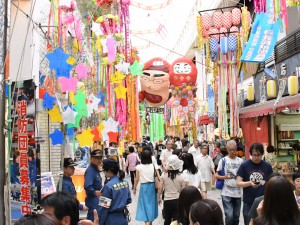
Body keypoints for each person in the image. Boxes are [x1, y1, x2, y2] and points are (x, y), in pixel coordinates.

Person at [236, 143, 273, 225]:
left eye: (259, 155)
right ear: (250, 154)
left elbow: (270, 183)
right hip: (248, 202)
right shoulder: (244, 165)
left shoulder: (267, 166)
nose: (256, 157)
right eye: (254, 155)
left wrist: (262, 182)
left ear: (262, 154)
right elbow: (238, 183)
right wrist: (250, 183)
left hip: (263, 201)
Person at [215, 140, 243, 225]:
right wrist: (224, 177)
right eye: (230, 150)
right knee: (229, 215)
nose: (232, 152)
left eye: (234, 149)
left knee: (236, 216)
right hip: (226, 192)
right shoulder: (223, 160)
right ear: (227, 149)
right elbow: (216, 175)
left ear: (236, 149)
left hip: (238, 192)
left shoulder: (240, 161)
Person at [98, 158, 132, 225]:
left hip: (111, 219)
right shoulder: (125, 182)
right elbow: (129, 200)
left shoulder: (108, 187)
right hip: (123, 218)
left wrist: (100, 222)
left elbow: (103, 208)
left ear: (109, 171)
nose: (104, 172)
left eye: (104, 170)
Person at [158, 155, 187, 225]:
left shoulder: (164, 175)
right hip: (178, 200)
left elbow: (160, 187)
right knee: (177, 220)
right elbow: (183, 191)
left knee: (167, 219)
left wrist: (158, 197)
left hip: (167, 200)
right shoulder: (182, 177)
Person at [133, 150, 160, 225]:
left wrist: (134, 188)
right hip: (152, 187)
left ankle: (146, 223)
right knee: (151, 205)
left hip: (143, 187)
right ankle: (150, 222)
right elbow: (158, 177)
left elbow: (137, 179)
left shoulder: (139, 167)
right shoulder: (153, 166)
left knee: (144, 205)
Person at [84, 149, 103, 221]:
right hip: (93, 199)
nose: (99, 160)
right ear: (91, 158)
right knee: (93, 220)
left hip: (97, 199)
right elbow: (87, 186)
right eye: (96, 158)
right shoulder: (90, 170)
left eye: (100, 158)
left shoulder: (95, 169)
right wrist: (95, 193)